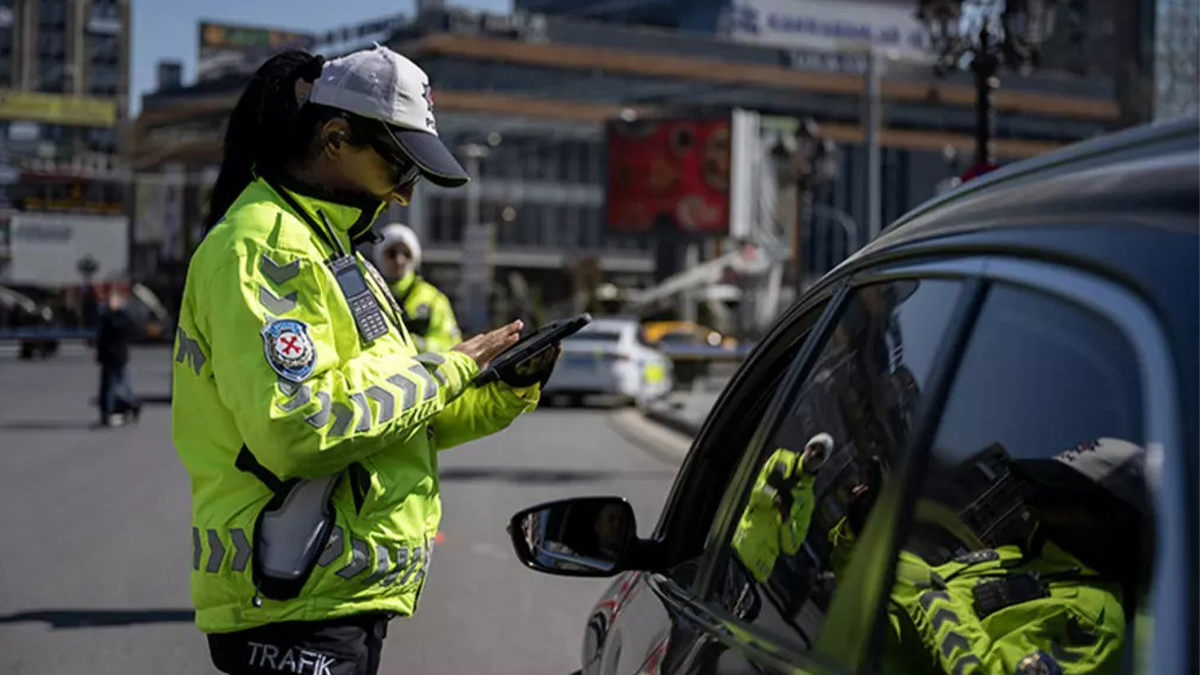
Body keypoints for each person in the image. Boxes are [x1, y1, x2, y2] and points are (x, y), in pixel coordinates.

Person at [172, 45, 560, 675]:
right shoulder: (266, 246)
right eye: (400, 167)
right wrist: (450, 367)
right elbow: (299, 429)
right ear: (334, 138)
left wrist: (505, 388)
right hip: (292, 597)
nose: (406, 194)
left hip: (334, 597)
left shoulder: (339, 250)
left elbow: (399, 420)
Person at [374, 223, 461, 352]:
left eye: (406, 254)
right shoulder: (369, 295)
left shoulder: (434, 299)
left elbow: (452, 346)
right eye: (392, 254)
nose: (399, 261)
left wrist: (416, 345)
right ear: (380, 257)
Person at [95, 286, 139, 427]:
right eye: (109, 300)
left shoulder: (122, 317)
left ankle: (127, 408)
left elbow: (128, 331)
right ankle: (107, 413)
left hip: (119, 356)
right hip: (108, 357)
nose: (111, 302)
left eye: (114, 300)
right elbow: (101, 338)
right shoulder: (105, 317)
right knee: (108, 387)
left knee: (121, 386)